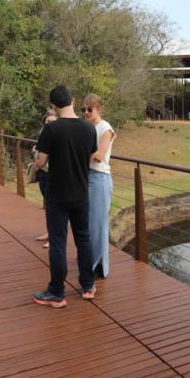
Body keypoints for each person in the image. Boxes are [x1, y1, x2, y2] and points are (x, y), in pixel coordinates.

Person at [32, 85, 97, 308]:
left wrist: (35, 162)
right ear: (73, 100)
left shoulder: (51, 129)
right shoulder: (89, 128)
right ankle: (88, 286)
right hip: (81, 193)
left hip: (57, 195)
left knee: (58, 243)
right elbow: (89, 156)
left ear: (53, 106)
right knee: (83, 239)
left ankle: (57, 292)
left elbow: (40, 162)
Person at [82, 93, 116, 279]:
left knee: (97, 224)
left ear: (99, 109)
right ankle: (95, 263)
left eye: (90, 109)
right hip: (85, 177)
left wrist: (76, 153)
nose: (86, 112)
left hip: (99, 178)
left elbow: (99, 155)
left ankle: (96, 265)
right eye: (83, 109)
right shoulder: (85, 127)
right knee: (88, 224)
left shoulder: (105, 128)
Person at [34, 109, 57, 249]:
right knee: (48, 205)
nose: (50, 124)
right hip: (42, 171)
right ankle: (49, 232)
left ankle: (54, 237)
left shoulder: (58, 133)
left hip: (52, 173)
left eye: (53, 122)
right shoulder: (43, 133)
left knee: (53, 206)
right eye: (48, 122)